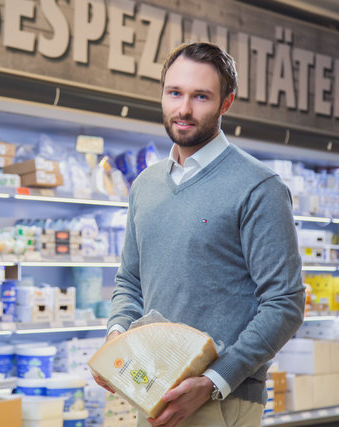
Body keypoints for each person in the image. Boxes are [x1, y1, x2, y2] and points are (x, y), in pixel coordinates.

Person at [92, 42, 305, 427]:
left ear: (226, 103)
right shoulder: (146, 185)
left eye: (201, 96)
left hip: (223, 401)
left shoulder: (259, 187)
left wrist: (212, 381)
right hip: (151, 392)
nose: (184, 109)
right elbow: (130, 280)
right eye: (174, 93)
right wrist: (116, 337)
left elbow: (285, 303)